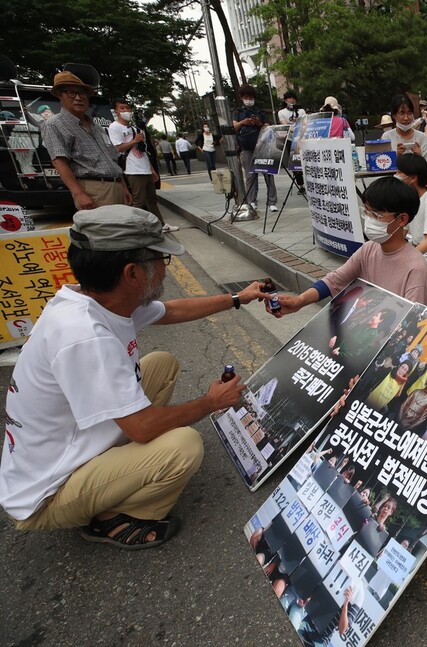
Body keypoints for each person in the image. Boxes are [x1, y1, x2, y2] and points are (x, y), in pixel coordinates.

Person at [0, 205, 270, 548]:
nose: (163, 271)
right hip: (47, 495)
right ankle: (117, 517)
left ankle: (117, 474)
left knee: (160, 364)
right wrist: (210, 402)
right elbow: (142, 427)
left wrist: (237, 298)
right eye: (161, 261)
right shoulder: (85, 336)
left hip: (67, 449)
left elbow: (170, 310)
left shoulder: (95, 300)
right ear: (132, 273)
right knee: (183, 446)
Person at [267, 176, 427, 314]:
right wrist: (300, 301)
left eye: (376, 214)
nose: (369, 219)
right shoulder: (369, 249)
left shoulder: (415, 267)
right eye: (367, 212)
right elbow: (334, 280)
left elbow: (413, 319)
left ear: (402, 219)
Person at [40, 71, 130, 210]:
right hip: (93, 189)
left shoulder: (97, 126)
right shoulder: (54, 124)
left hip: (116, 185)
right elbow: (59, 162)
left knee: (126, 229)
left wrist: (122, 186)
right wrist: (78, 193)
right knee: (105, 230)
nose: (78, 98)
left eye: (82, 93)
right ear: (60, 95)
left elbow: (111, 158)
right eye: (71, 93)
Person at [108, 99, 173, 233]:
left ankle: (160, 225)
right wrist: (134, 141)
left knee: (152, 199)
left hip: (144, 168)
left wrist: (152, 169)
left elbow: (143, 151)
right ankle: (136, 228)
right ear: (116, 112)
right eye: (122, 108)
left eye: (127, 108)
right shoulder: (114, 127)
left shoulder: (135, 128)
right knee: (139, 201)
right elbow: (118, 148)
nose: (125, 111)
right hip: (133, 170)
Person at [233, 85, 277, 212]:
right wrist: (243, 122)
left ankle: (272, 202)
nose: (249, 100)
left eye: (251, 97)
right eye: (246, 97)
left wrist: (259, 123)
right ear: (241, 97)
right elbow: (233, 127)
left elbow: (268, 127)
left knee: (269, 174)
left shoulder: (260, 111)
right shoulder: (238, 112)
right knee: (250, 176)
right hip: (246, 147)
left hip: (262, 146)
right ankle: (252, 201)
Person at [381, 94, 427, 160]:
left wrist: (419, 156)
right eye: (402, 113)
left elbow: (426, 167)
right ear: (394, 115)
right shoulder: (387, 137)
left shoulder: (422, 137)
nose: (406, 118)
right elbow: (384, 164)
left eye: (409, 113)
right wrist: (396, 156)